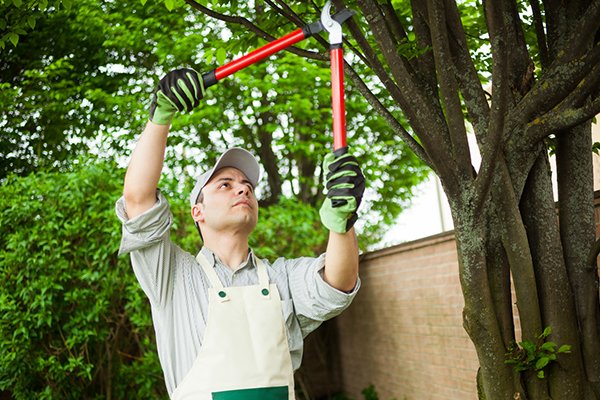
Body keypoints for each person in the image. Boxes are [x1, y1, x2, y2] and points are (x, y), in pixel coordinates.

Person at [115, 68, 365, 400]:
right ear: (198, 211)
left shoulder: (281, 278)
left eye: (248, 186)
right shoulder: (173, 277)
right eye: (226, 184)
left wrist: (341, 223)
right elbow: (138, 199)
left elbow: (338, 283)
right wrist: (161, 114)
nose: (243, 190)